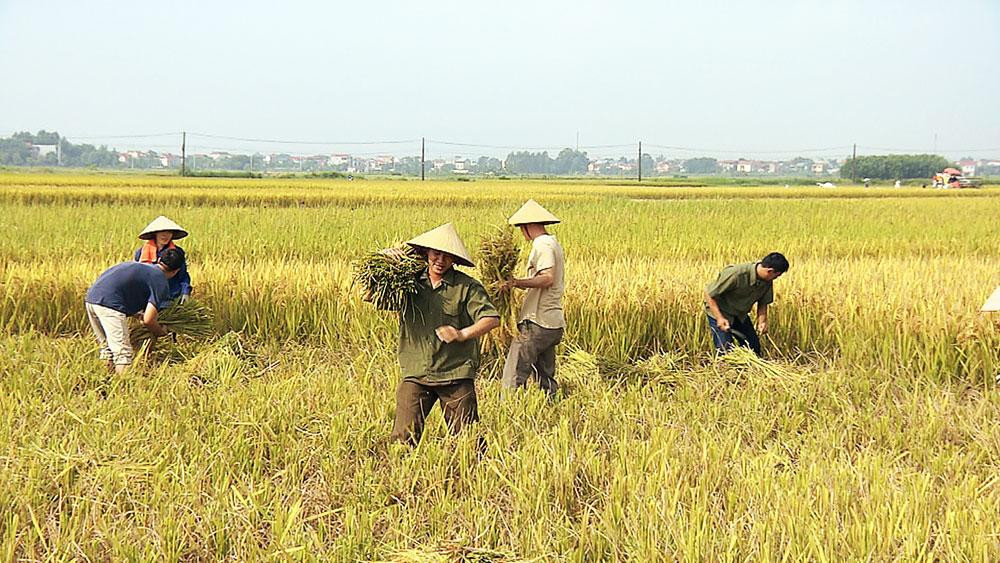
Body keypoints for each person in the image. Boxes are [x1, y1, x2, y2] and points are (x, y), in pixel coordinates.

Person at [384, 223, 500, 446]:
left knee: (468, 441)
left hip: (454, 373)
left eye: (447, 256)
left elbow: (491, 319)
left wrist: (462, 333)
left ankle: (470, 476)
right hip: (417, 372)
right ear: (426, 252)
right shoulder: (409, 283)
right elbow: (372, 296)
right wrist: (387, 262)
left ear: (454, 260)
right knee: (402, 439)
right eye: (436, 254)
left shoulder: (467, 287)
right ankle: (404, 476)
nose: (440, 260)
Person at [500, 200, 566, 397]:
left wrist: (515, 282)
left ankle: (506, 409)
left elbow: (547, 278)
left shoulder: (542, 244)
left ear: (527, 227)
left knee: (513, 373)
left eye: (522, 229)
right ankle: (551, 407)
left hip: (537, 321)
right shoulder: (553, 243)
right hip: (553, 323)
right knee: (545, 376)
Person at [85, 249, 183, 374]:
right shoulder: (160, 280)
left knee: (107, 348)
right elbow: (149, 320)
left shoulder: (142, 267)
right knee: (123, 353)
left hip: (91, 299)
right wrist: (161, 332)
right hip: (110, 304)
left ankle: (106, 381)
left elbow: (123, 289)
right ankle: (123, 389)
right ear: (176, 271)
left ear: (159, 260)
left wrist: (136, 314)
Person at [704, 252, 789, 357]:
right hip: (721, 310)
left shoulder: (767, 280)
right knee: (725, 349)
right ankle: (726, 372)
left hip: (740, 314)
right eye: (777, 276)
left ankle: (750, 371)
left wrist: (762, 322)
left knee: (753, 347)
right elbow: (709, 294)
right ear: (770, 271)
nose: (776, 279)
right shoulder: (736, 274)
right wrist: (719, 318)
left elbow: (763, 303)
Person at [134, 216, 192, 303]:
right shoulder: (141, 253)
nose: (165, 235)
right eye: (162, 232)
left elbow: (183, 275)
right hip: (148, 298)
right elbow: (137, 277)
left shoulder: (177, 253)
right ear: (155, 233)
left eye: (169, 232)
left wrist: (185, 292)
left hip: (172, 297)